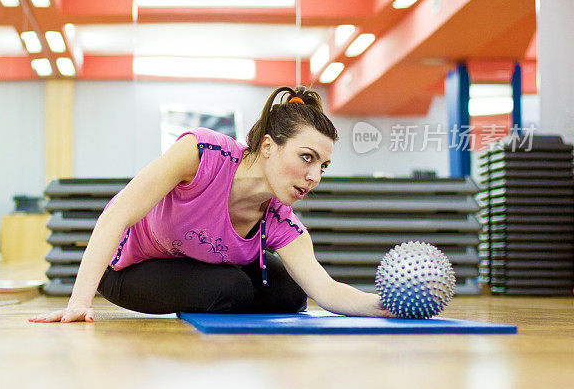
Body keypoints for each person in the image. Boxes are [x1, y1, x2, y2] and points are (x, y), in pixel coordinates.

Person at [30, 86, 393, 323]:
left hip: (196, 266)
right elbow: (117, 214)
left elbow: (324, 288)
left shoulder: (281, 219)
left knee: (291, 290)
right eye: (307, 157)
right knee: (229, 288)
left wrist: (385, 305)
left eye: (323, 166)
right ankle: (219, 295)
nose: (315, 176)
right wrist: (79, 300)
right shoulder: (203, 153)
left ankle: (221, 295)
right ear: (268, 146)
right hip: (129, 269)